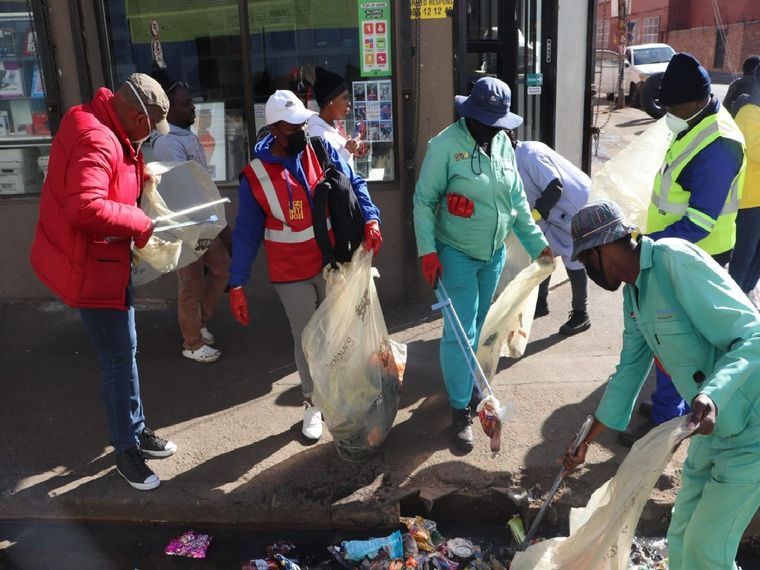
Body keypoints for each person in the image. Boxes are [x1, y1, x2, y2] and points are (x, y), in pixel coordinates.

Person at [562, 199, 760, 570]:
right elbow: (629, 372)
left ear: (603, 248)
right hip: (709, 430)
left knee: (708, 548)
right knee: (682, 537)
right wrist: (585, 441)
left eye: (586, 262)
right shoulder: (633, 293)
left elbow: (754, 337)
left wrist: (712, 395)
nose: (587, 271)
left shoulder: (675, 260)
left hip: (751, 427)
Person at [29, 74, 177, 491]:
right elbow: (85, 206)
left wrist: (141, 175)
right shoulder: (98, 137)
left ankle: (137, 431)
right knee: (118, 357)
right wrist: (141, 223)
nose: (151, 136)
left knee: (125, 351)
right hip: (91, 266)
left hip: (105, 261)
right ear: (134, 115)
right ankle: (125, 451)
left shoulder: (103, 123)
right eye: (150, 128)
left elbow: (111, 172)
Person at [228, 90, 382, 441]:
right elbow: (247, 234)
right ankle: (313, 403)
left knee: (339, 333)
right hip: (290, 273)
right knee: (308, 338)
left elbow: (352, 183)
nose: (302, 129)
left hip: (330, 262)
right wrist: (237, 284)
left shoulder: (319, 149)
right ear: (275, 129)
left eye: (303, 122)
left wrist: (371, 218)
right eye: (293, 126)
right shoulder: (256, 176)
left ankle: (341, 397)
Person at [413, 77, 552, 452]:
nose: (494, 130)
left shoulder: (503, 144)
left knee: (475, 325)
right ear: (470, 115)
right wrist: (427, 251)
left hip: (493, 253)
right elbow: (424, 201)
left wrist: (538, 245)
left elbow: (518, 202)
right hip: (455, 251)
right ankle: (460, 409)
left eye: (499, 124)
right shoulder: (443, 146)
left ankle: (470, 388)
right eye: (487, 122)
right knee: (457, 332)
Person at [623, 52, 747, 447]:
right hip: (673, 250)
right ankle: (667, 405)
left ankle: (665, 427)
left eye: (675, 107)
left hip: (697, 256)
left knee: (677, 341)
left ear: (698, 101)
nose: (670, 114)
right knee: (667, 336)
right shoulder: (695, 124)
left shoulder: (719, 145)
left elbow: (699, 222)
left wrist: (645, 246)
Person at [152, 81, 230, 363]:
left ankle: (198, 324)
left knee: (221, 268)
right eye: (186, 104)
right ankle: (193, 343)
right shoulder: (167, 143)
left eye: (191, 102)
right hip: (186, 225)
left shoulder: (184, 135)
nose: (192, 107)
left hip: (204, 219)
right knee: (191, 283)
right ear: (169, 110)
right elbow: (180, 189)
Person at [507, 131, 591, 335]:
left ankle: (581, 314)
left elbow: (555, 187)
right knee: (543, 252)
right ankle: (541, 302)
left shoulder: (530, 154)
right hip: (551, 214)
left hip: (572, 208)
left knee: (574, 259)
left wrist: (535, 214)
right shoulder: (508, 162)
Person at [728, 71, 760, 299]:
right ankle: (733, 298)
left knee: (757, 256)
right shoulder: (749, 112)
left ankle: (746, 292)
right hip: (750, 199)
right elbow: (757, 150)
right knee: (744, 254)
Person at [307, 67, 362, 169]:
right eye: (345, 98)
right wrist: (347, 150)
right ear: (330, 101)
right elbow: (325, 173)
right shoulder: (316, 133)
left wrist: (349, 147)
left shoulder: (330, 127)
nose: (349, 103)